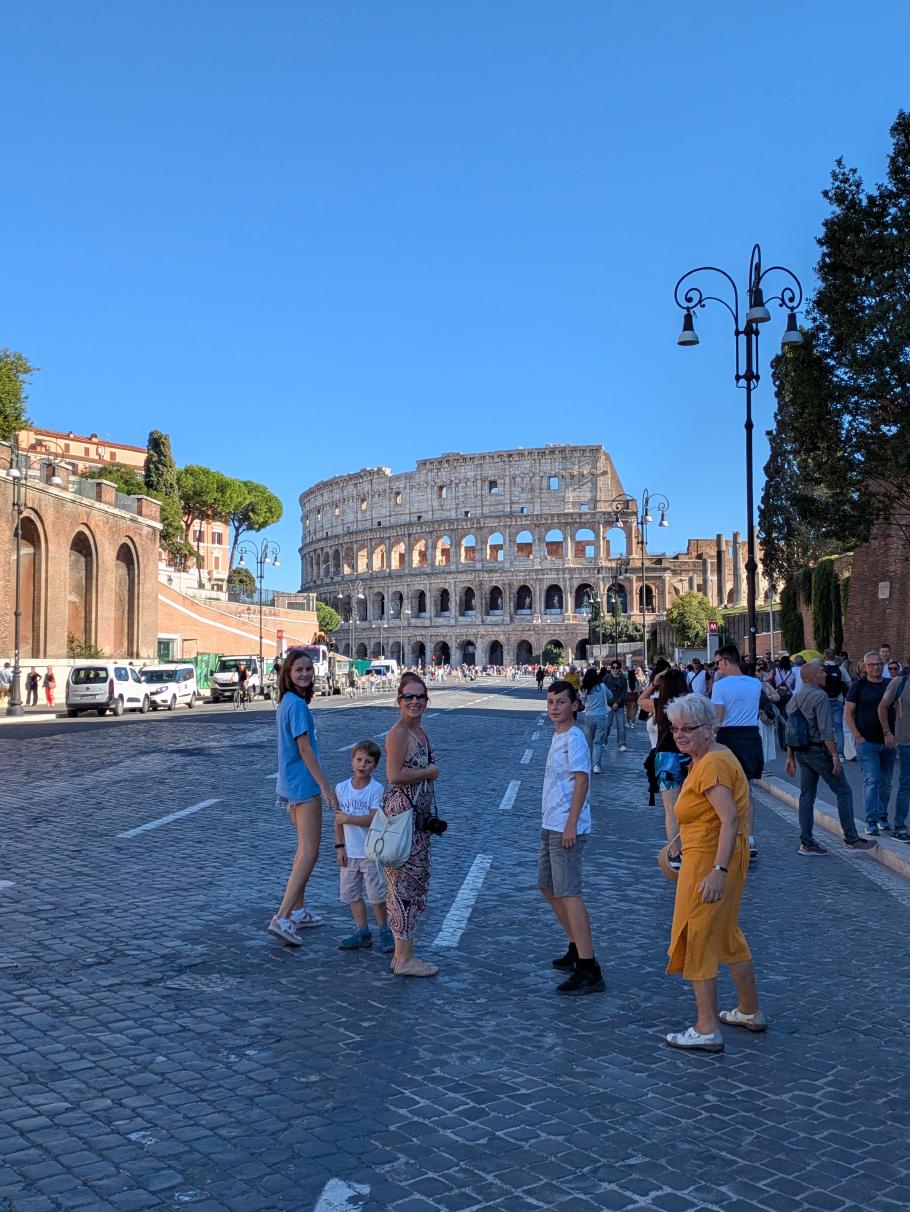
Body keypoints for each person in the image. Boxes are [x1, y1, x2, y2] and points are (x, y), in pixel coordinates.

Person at [663, 693, 765, 1053]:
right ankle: (749, 1011)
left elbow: (730, 817)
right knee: (725, 934)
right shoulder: (711, 757)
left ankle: (706, 1027)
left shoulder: (711, 764)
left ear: (708, 728)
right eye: (675, 728)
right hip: (713, 853)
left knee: (698, 935)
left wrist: (718, 870)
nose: (679, 734)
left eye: (687, 728)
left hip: (710, 860)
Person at [269, 648, 339, 945]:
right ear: (288, 673)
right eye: (299, 669)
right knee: (310, 852)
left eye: (309, 669)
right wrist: (325, 786)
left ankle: (297, 911)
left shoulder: (286, 701)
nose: (305, 674)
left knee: (302, 851)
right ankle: (282, 917)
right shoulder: (297, 705)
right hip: (304, 786)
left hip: (289, 785)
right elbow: (305, 749)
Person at [542, 680, 605, 995]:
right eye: (551, 701)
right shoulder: (559, 735)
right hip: (551, 823)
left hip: (567, 826)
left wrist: (570, 824)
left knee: (569, 892)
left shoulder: (575, 738)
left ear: (575, 706)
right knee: (548, 885)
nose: (555, 707)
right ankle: (575, 944)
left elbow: (582, 780)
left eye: (561, 702)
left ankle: (588, 966)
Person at [785, 661, 875, 855]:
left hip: (801, 751)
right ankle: (851, 839)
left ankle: (806, 842)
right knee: (843, 791)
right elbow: (826, 731)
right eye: (821, 672)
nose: (825, 674)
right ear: (811, 677)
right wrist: (835, 756)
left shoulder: (795, 698)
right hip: (819, 750)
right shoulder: (819, 696)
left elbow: (790, 729)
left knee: (807, 795)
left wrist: (790, 757)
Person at [383, 673, 440, 977]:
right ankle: (404, 958)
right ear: (399, 700)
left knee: (412, 884)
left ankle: (402, 953)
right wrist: (429, 771)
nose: (415, 702)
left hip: (417, 819)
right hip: (402, 817)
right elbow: (393, 776)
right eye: (409, 697)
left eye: (420, 697)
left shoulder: (421, 732)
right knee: (402, 886)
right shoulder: (399, 733)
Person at [333, 740, 395, 952]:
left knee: (376, 895)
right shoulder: (341, 788)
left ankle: (384, 930)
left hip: (370, 852)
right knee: (352, 894)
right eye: (359, 760)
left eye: (368, 762)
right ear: (352, 761)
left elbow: (373, 818)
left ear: (375, 766)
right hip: (349, 852)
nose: (362, 765)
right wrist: (339, 846)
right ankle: (362, 931)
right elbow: (337, 820)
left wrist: (347, 818)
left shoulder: (376, 789)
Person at [711, 645, 763, 860]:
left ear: (724, 661)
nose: (717, 666)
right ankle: (749, 839)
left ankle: (725, 837)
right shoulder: (756, 683)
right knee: (747, 790)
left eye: (717, 662)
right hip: (751, 737)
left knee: (723, 790)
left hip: (728, 737)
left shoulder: (720, 686)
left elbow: (718, 719)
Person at [640, 668, 691, 869]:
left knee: (671, 810)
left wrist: (654, 683)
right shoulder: (690, 705)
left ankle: (675, 852)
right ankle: (690, 846)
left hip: (665, 757)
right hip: (688, 756)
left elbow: (639, 700)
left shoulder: (659, 705)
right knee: (691, 804)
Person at [846, 650, 896, 836]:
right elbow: (848, 712)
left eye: (878, 664)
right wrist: (857, 736)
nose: (875, 667)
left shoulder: (890, 684)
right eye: (872, 664)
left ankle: (883, 817)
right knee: (872, 780)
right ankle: (871, 821)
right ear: (865, 667)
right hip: (867, 742)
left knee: (887, 783)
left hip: (888, 742)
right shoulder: (858, 687)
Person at [880, 668, 910, 842]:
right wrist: (887, 732)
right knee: (906, 784)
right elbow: (883, 706)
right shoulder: (900, 682)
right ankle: (899, 826)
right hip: (906, 741)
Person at [821, 648, 851, 762]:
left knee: (825, 727)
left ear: (824, 656)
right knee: (839, 728)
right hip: (838, 700)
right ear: (834, 657)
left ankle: (827, 752)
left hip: (824, 701)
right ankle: (840, 754)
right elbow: (849, 684)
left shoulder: (821, 669)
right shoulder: (841, 669)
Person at [580, 667, 607, 774]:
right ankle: (596, 765)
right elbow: (610, 696)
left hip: (589, 716)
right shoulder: (602, 687)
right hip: (601, 716)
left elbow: (583, 701)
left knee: (589, 741)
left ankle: (588, 763)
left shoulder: (585, 689)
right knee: (598, 742)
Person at [769, 656, 797, 748]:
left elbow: (770, 682)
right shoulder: (792, 674)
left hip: (777, 697)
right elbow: (793, 687)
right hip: (787, 697)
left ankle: (781, 743)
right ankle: (787, 742)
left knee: (779, 719)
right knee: (786, 719)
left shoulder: (775, 671)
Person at [602, 661, 628, 752]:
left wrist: (617, 702)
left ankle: (621, 744)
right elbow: (603, 691)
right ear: (611, 668)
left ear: (620, 669)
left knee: (621, 725)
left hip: (619, 705)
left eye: (617, 668)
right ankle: (604, 742)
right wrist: (611, 702)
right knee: (607, 725)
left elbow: (624, 693)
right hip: (608, 705)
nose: (615, 669)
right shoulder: (606, 678)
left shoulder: (623, 679)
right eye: (613, 667)